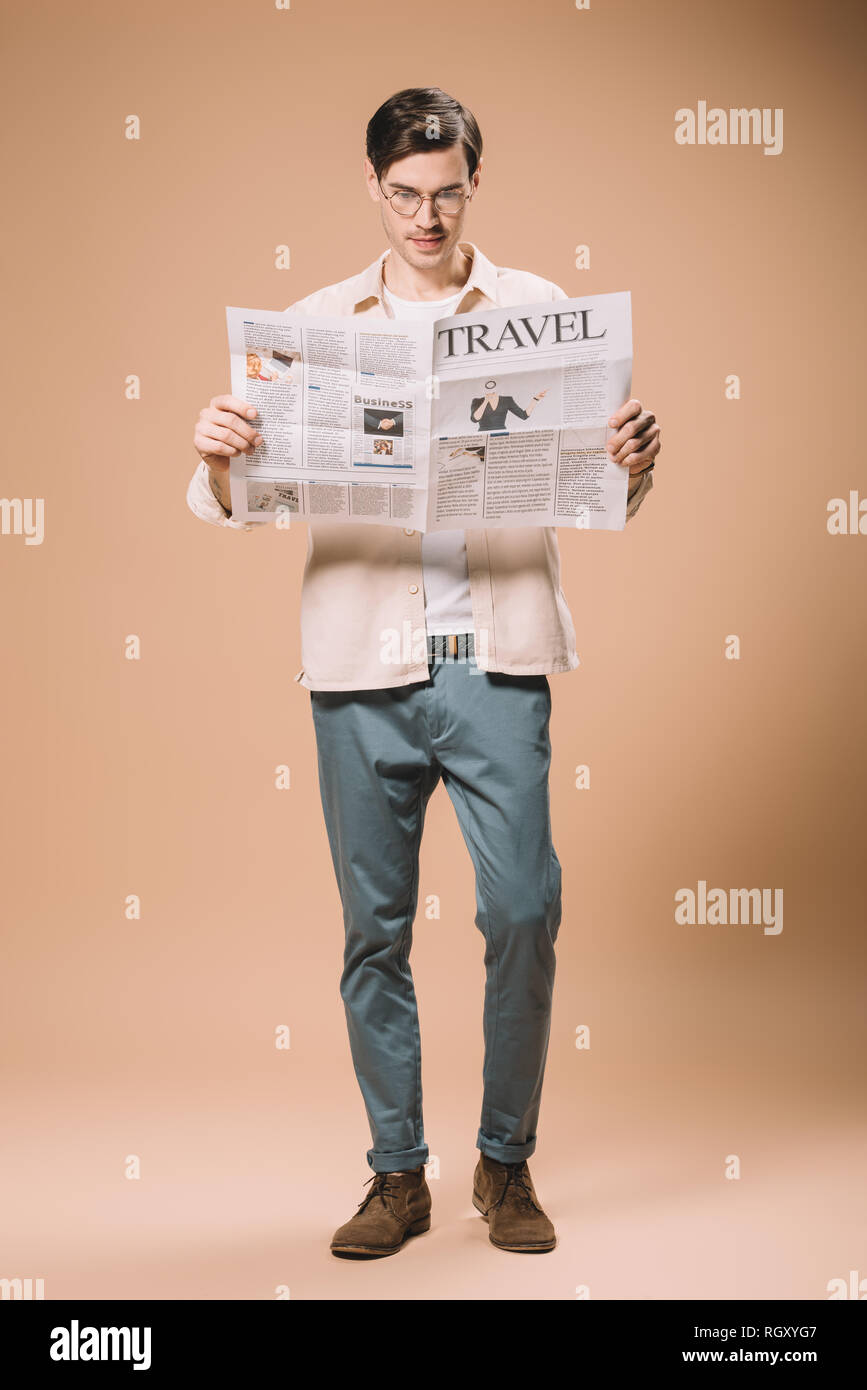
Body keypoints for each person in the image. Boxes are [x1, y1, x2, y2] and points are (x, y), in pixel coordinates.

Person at [187, 87, 661, 1259]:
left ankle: (506, 1164)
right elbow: (232, 504)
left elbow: (606, 490)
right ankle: (398, 1177)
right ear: (373, 187)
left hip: (498, 658)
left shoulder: (541, 311)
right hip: (360, 669)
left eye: (446, 193)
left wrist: (632, 459)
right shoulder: (313, 324)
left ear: (473, 186)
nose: (426, 218)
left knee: (522, 907)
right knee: (374, 932)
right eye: (405, 195)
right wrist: (224, 457)